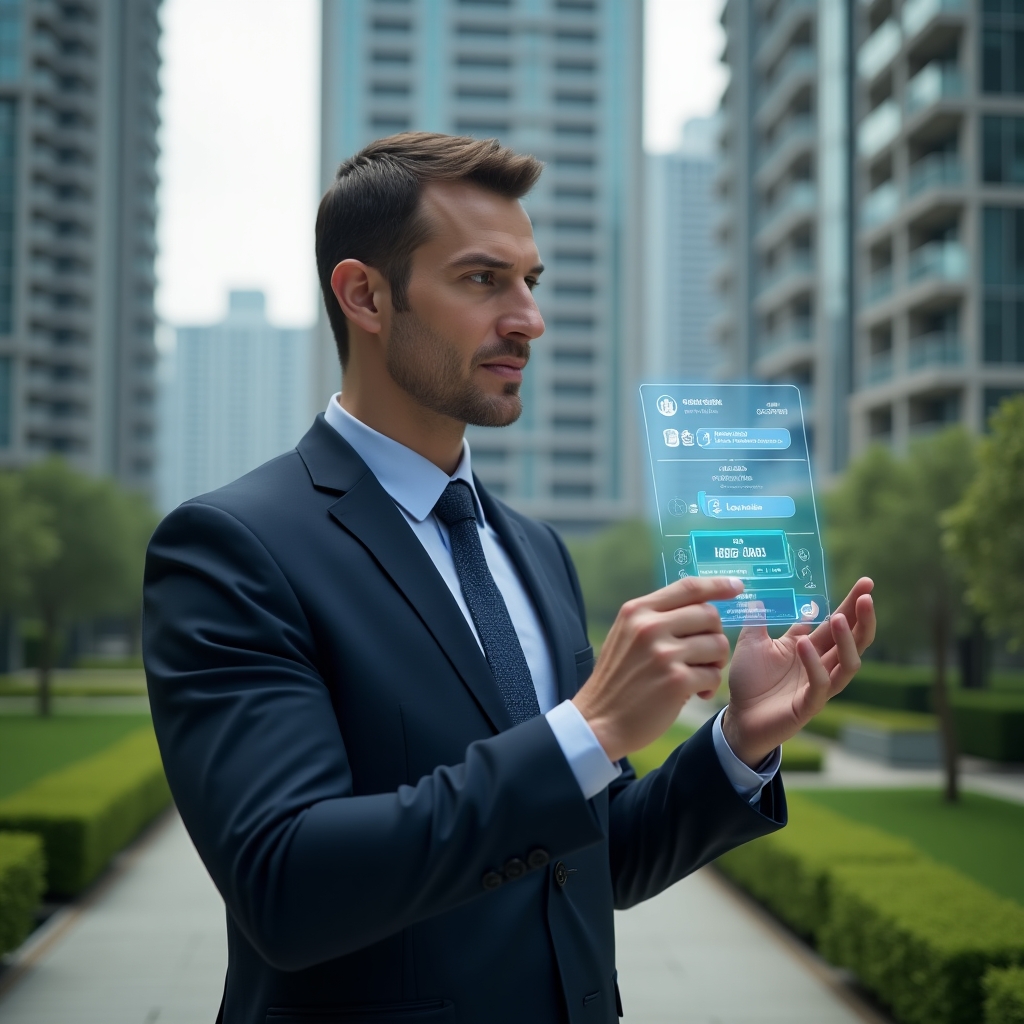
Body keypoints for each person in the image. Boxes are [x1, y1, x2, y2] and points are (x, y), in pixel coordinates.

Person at [143, 133, 875, 1024]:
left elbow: (592, 855)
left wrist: (738, 743)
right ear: (365, 294)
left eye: (531, 281)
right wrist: (588, 728)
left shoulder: (534, 549)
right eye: (484, 279)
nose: (529, 319)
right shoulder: (233, 548)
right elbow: (286, 885)